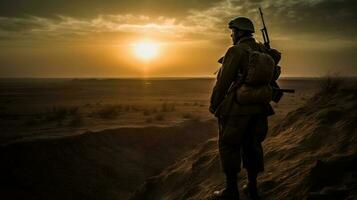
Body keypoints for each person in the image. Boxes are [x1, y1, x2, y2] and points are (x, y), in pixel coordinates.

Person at [209, 17, 279, 200]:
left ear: (239, 32)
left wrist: (214, 103)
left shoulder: (236, 50)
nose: (231, 35)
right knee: (252, 145)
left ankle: (231, 191)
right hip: (260, 107)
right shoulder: (263, 50)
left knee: (229, 146)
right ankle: (252, 187)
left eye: (232, 32)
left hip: (237, 108)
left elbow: (223, 81)